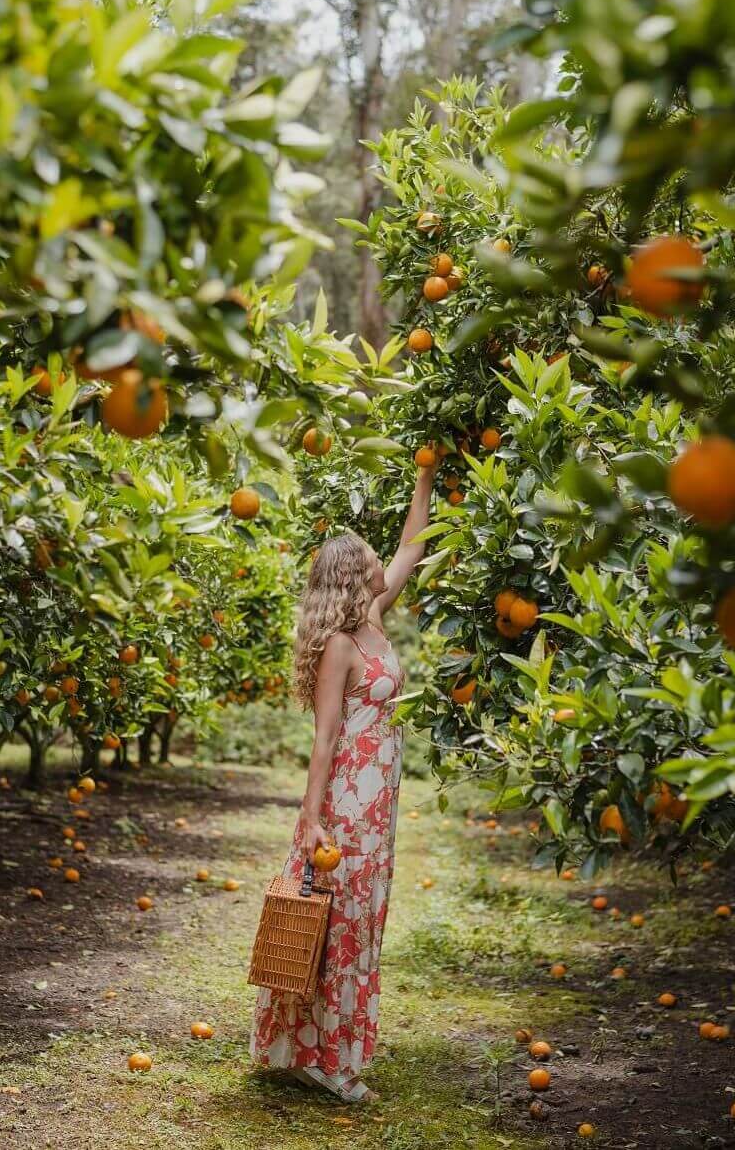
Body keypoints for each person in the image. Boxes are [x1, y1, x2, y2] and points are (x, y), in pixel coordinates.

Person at [250, 463, 435, 1103]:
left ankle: (322, 1052)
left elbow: (416, 542)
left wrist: (426, 479)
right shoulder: (340, 645)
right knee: (342, 926)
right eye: (371, 555)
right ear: (354, 574)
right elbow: (325, 737)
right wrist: (310, 817)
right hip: (348, 805)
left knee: (362, 922)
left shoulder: (376, 619)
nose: (386, 557)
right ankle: (329, 1060)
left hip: (379, 803)